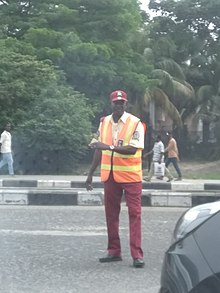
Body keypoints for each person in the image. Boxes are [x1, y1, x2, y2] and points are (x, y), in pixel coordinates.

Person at [86, 90, 145, 268]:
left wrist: (108, 146)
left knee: (135, 214)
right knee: (111, 215)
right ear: (111, 104)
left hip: (131, 176)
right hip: (110, 175)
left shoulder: (136, 123)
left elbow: (132, 149)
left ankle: (137, 255)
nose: (119, 106)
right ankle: (114, 251)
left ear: (126, 105)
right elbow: (98, 148)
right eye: (116, 103)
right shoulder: (104, 122)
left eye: (122, 103)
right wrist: (90, 173)